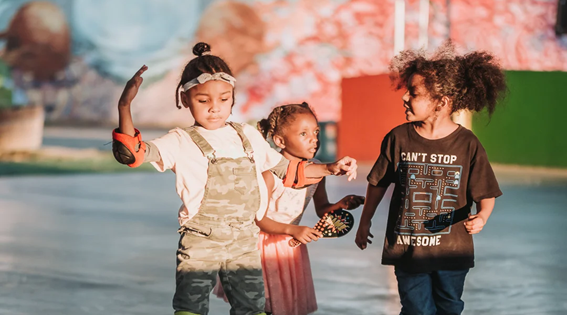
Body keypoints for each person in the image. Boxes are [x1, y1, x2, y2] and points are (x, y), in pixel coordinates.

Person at [111, 42, 358, 315]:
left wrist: (330, 168)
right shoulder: (179, 141)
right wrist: (125, 106)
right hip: (201, 240)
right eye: (203, 100)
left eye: (224, 99)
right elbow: (132, 154)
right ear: (184, 99)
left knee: (252, 308)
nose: (215, 108)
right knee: (190, 307)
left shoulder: (247, 135)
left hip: (244, 241)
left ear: (233, 97)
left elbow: (288, 172)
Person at [355, 42, 507, 315]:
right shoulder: (398, 138)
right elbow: (378, 182)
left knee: (449, 307)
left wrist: (482, 216)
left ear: (442, 102)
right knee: (417, 309)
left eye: (414, 93)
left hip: (452, 252)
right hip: (407, 247)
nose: (404, 98)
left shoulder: (467, 144)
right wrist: (365, 220)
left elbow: (485, 192)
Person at [213, 102, 364, 315]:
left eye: (316, 132)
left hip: (290, 248)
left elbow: (322, 208)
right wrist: (293, 230)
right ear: (280, 141)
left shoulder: (317, 170)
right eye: (303, 133)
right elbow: (257, 219)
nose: (314, 138)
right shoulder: (269, 173)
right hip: (260, 248)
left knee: (284, 305)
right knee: (255, 306)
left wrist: (341, 205)